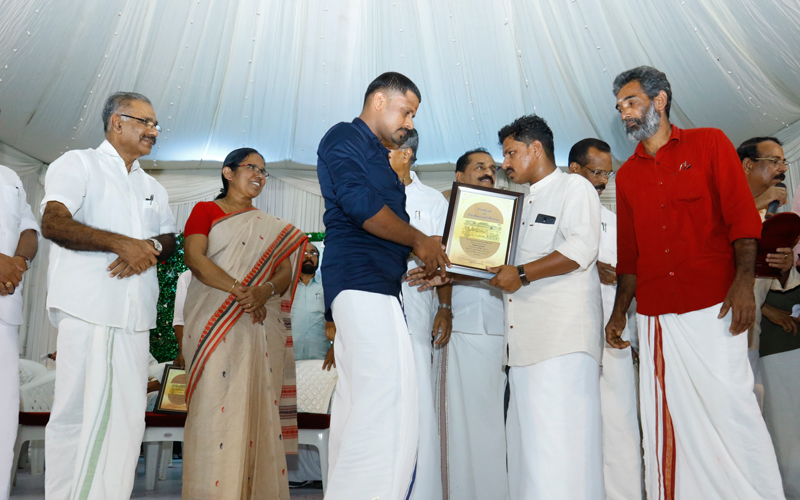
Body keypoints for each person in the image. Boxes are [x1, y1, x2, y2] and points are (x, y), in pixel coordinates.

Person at [606, 66, 785, 499]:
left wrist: (743, 285)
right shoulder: (626, 176)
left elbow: (742, 219)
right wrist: (618, 313)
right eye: (619, 106)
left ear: (660, 100)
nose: (624, 112)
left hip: (715, 305)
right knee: (669, 421)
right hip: (657, 316)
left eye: (631, 102)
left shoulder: (709, 143)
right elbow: (629, 254)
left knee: (733, 408)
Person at [316, 71, 449, 500]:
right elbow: (358, 204)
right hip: (362, 283)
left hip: (374, 286)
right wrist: (419, 241)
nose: (409, 123)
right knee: (386, 401)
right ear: (378, 101)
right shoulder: (345, 136)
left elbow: (386, 225)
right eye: (405, 112)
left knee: (359, 402)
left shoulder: (379, 154)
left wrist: (424, 255)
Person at [40, 92, 177, 499]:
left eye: (155, 124)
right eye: (145, 122)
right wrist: (121, 243)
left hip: (135, 318)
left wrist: (148, 247)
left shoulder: (152, 185)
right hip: (89, 308)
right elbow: (53, 223)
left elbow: (169, 239)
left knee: (127, 420)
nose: (153, 131)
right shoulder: (78, 163)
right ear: (117, 122)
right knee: (79, 413)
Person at [180, 148, 307, 499]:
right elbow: (195, 259)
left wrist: (263, 292)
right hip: (213, 322)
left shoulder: (272, 228)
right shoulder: (205, 211)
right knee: (213, 408)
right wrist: (241, 291)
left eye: (264, 172)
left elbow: (284, 273)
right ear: (228, 172)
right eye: (253, 168)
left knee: (256, 407)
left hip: (257, 324)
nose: (259, 176)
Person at [492, 115, 604, 498]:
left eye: (511, 153)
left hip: (561, 346)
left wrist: (522, 274)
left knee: (560, 452)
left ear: (535, 149)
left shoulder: (574, 187)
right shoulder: (519, 204)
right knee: (528, 455)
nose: (505, 163)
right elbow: (504, 267)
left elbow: (581, 248)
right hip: (522, 349)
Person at [568, 138, 643, 499]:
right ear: (574, 169)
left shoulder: (617, 221)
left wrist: (633, 333)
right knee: (573, 421)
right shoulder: (553, 213)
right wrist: (583, 265)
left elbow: (634, 278)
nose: (602, 180)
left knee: (620, 418)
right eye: (596, 172)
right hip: (568, 335)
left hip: (614, 332)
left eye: (607, 174)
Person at [435, 148, 508, 500]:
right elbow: (439, 267)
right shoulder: (443, 210)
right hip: (459, 324)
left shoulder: (509, 215)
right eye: (479, 167)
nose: (488, 172)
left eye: (492, 168)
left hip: (498, 326)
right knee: (457, 420)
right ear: (459, 177)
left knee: (494, 420)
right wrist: (446, 306)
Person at [387, 128, 451, 500]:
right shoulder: (370, 195)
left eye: (386, 150)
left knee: (418, 395)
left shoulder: (432, 200)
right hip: (378, 307)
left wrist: (444, 304)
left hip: (417, 308)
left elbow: (447, 259)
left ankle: (421, 489)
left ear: (406, 154)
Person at [739, 136, 800, 496]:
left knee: (761, 415)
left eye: (783, 162)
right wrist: (756, 204)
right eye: (773, 161)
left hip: (753, 337)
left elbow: (769, 279)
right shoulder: (722, 204)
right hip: (720, 333)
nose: (781, 168)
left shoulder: (773, 215)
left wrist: (786, 265)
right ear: (748, 165)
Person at [0, 105, 40, 500]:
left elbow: (30, 230)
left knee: (2, 416)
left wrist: (18, 262)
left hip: (5, 312)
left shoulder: (10, 177)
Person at [291, 243, 331, 362]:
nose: (309, 256)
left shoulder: (327, 286)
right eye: (304, 252)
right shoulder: (286, 287)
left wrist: (335, 348)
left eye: (313, 253)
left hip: (322, 358)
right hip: (288, 358)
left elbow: (340, 320)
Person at [171, 269, 192, 369]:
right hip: (198, 343)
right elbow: (180, 320)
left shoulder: (235, 271)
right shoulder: (187, 277)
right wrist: (182, 351)